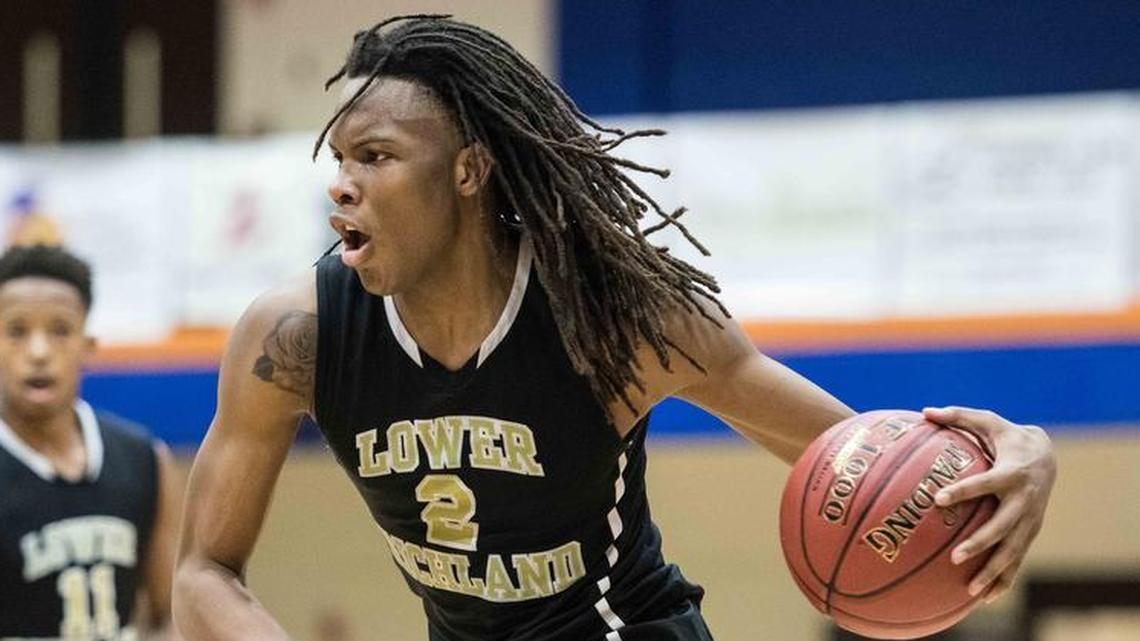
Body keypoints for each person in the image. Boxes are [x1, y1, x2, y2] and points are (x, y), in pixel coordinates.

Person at [173, 15, 1056, 641]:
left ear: (471, 171)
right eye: (339, 160)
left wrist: (1018, 456)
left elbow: (864, 460)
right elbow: (202, 571)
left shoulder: (617, 319)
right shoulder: (295, 338)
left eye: (376, 157)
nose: (341, 184)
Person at [0, 244, 182, 641]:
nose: (39, 352)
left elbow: (170, 616)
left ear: (88, 346)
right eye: (16, 331)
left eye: (61, 330)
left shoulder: (143, 459)